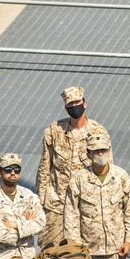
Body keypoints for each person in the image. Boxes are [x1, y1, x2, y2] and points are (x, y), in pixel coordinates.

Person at [36, 86, 109, 247]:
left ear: (85, 103)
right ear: (66, 107)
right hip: (56, 204)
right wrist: (40, 202)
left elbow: (106, 169)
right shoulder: (54, 131)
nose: (74, 106)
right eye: (70, 104)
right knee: (51, 251)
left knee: (83, 252)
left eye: (77, 102)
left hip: (85, 204)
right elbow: (44, 168)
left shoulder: (98, 132)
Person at [64, 131, 130, 259]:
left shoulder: (121, 177)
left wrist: (129, 240)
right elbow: (71, 216)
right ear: (88, 154)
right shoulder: (79, 179)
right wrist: (77, 248)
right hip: (89, 252)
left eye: (103, 150)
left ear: (109, 151)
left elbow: (129, 210)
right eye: (96, 151)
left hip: (116, 251)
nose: (101, 154)